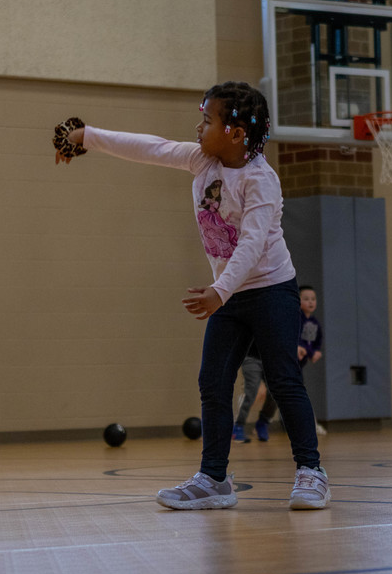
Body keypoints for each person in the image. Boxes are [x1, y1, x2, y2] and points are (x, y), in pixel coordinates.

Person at [54, 81, 330, 510]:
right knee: (212, 382)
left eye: (207, 120)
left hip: (271, 290)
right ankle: (214, 480)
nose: (198, 128)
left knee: (283, 378)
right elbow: (150, 147)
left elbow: (252, 244)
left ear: (236, 133)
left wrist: (219, 291)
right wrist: (86, 136)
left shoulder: (261, 180)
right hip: (228, 295)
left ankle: (311, 472)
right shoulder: (201, 159)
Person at [232, 343, 277, 443]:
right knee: (251, 392)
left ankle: (263, 422)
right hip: (250, 357)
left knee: (276, 392)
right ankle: (238, 425)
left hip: (270, 357)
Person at [297, 285, 326, 435]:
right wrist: (303, 349)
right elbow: (294, 340)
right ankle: (309, 426)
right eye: (306, 299)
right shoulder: (296, 318)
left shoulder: (314, 323)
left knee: (299, 393)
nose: (310, 302)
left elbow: (317, 340)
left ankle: (309, 426)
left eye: (313, 299)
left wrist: (315, 352)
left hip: (300, 364)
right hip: (291, 363)